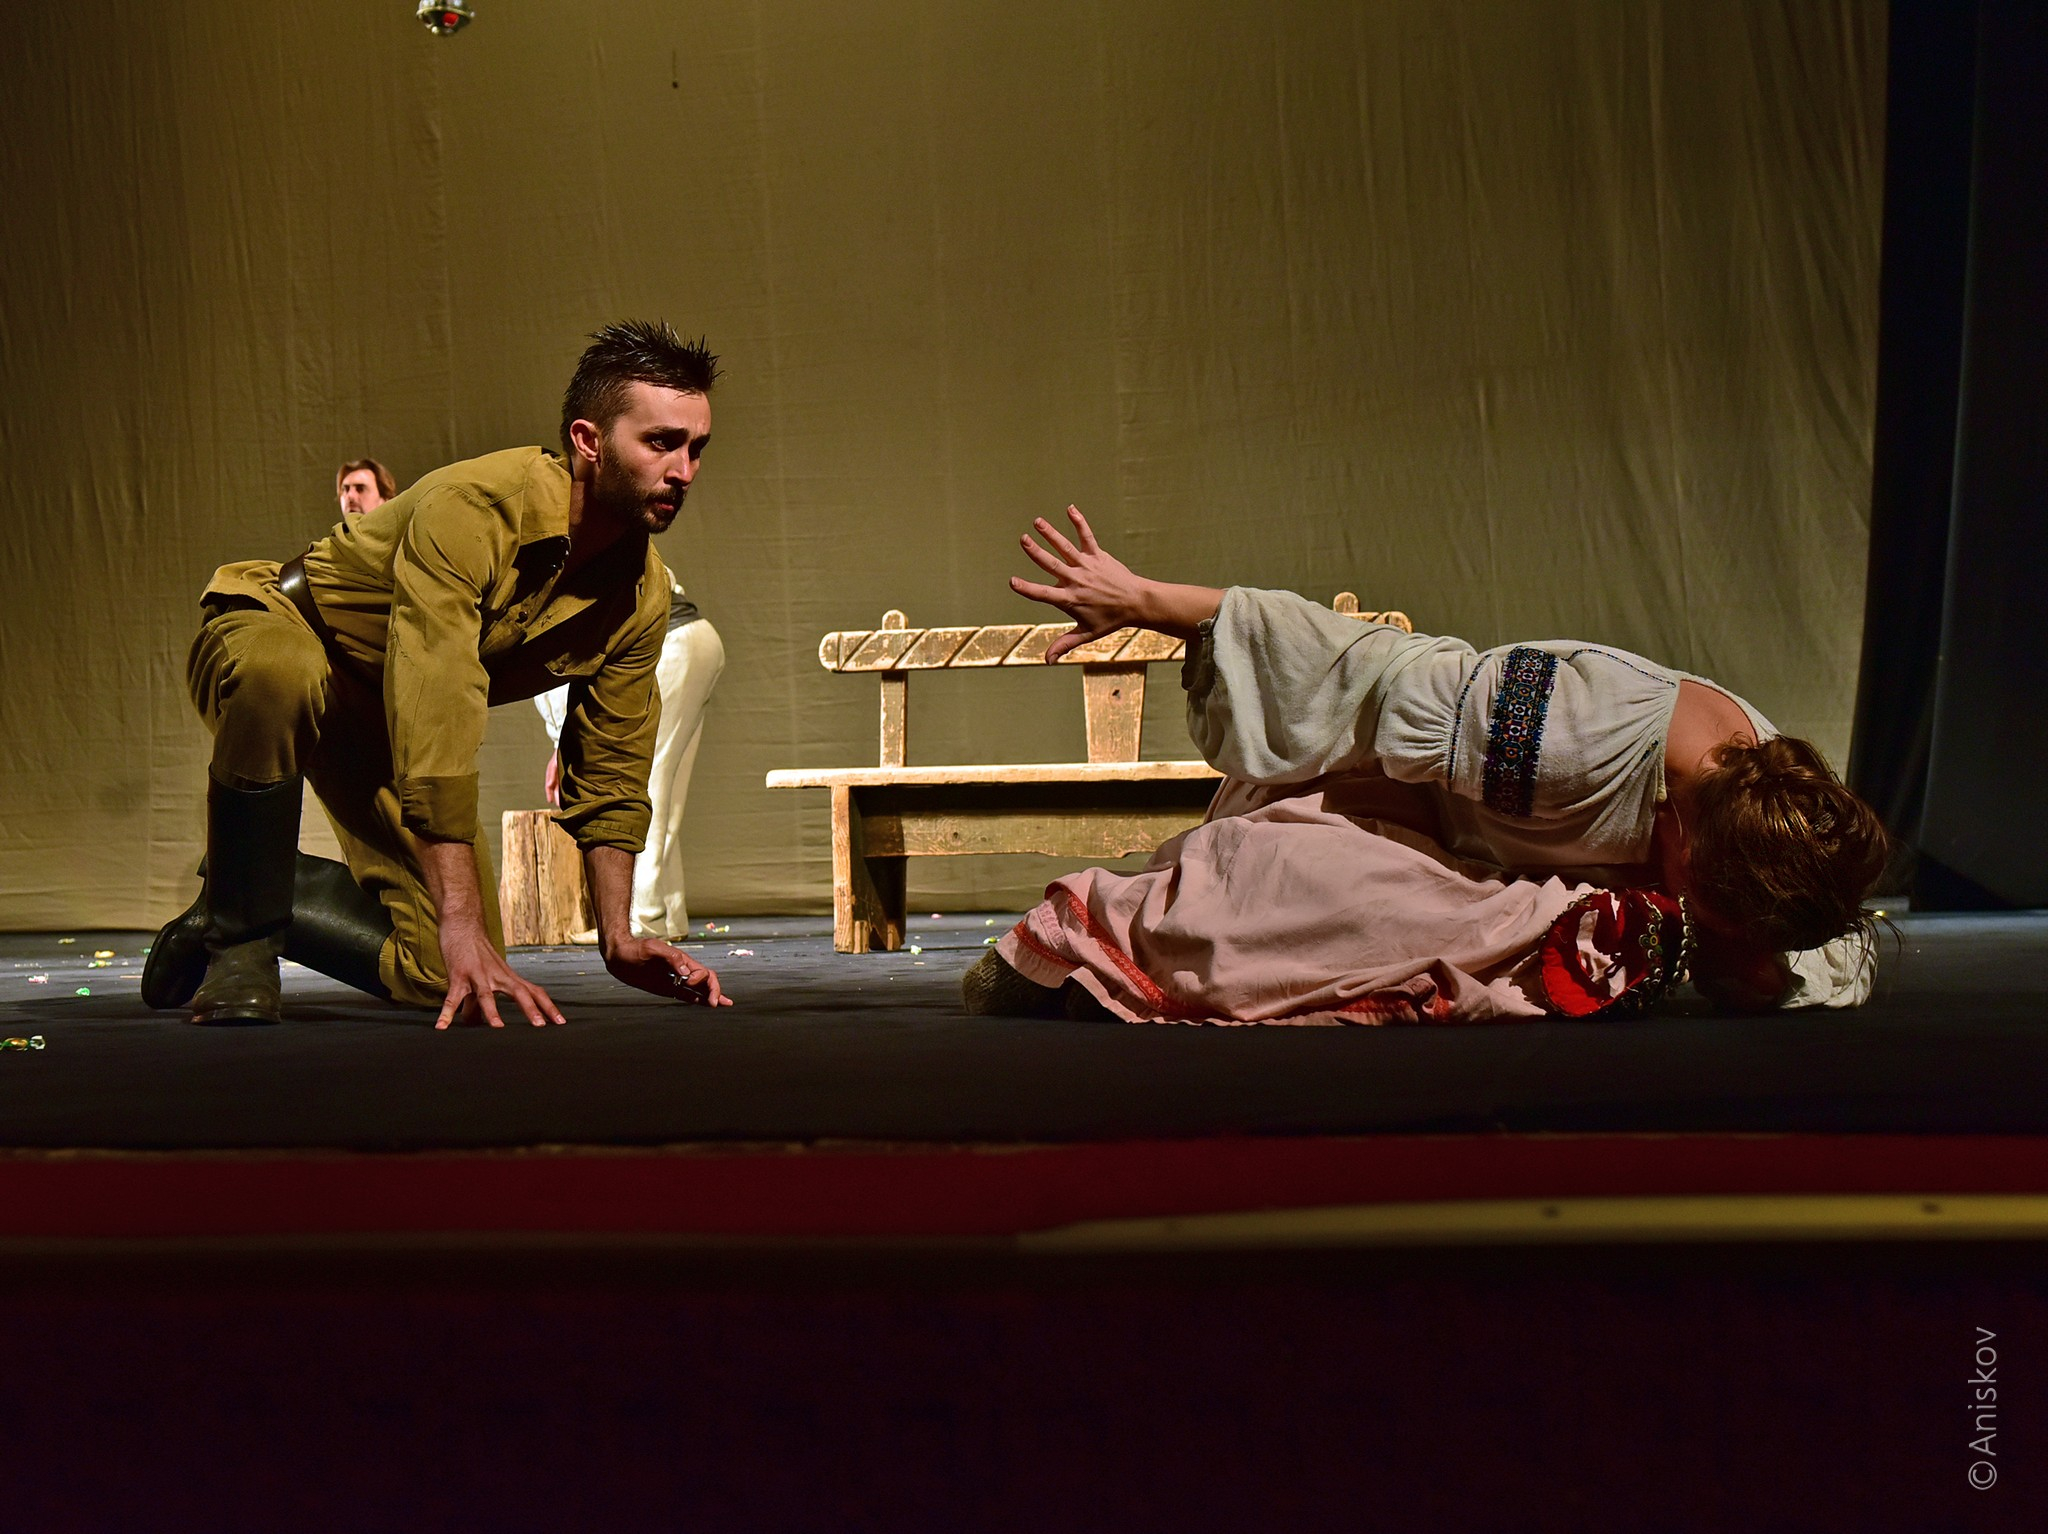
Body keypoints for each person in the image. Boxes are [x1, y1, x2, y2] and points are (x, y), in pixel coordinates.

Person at [963, 507, 1888, 1024]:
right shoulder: (1562, 737)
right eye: (1717, 906)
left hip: (1499, 868)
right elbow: (1376, 670)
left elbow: (1818, 948)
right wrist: (1158, 603)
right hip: (1370, 805)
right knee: (1332, 900)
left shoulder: (1775, 804)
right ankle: (1082, 937)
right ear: (1686, 838)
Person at [143, 322, 732, 1027]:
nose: (684, 470)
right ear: (589, 440)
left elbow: (611, 768)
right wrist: (461, 918)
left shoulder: (641, 594)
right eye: (661, 442)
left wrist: (618, 939)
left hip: (376, 710)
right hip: (288, 626)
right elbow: (435, 705)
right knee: (281, 673)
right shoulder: (474, 509)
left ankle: (236, 890)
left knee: (444, 975)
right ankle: (241, 947)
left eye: (697, 448)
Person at [533, 576, 723, 940]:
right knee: (666, 785)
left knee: (642, 781)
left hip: (668, 642)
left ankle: (642, 919)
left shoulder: (542, 595)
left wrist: (562, 747)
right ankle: (667, 914)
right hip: (695, 639)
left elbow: (566, 683)